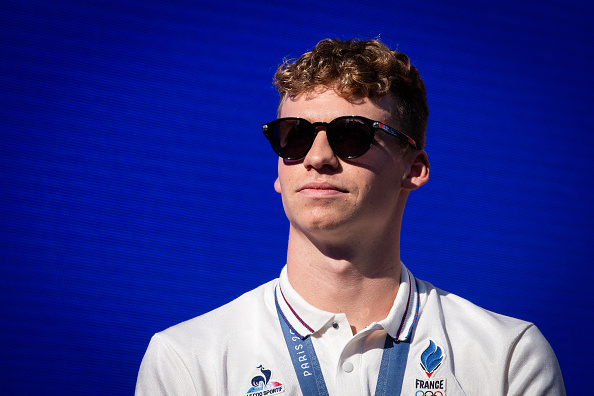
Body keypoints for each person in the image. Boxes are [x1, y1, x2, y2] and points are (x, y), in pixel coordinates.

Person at [136, 38, 565, 395]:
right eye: (295, 137)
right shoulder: (186, 361)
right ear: (278, 173)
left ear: (413, 169)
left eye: (351, 134)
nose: (317, 157)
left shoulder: (508, 357)